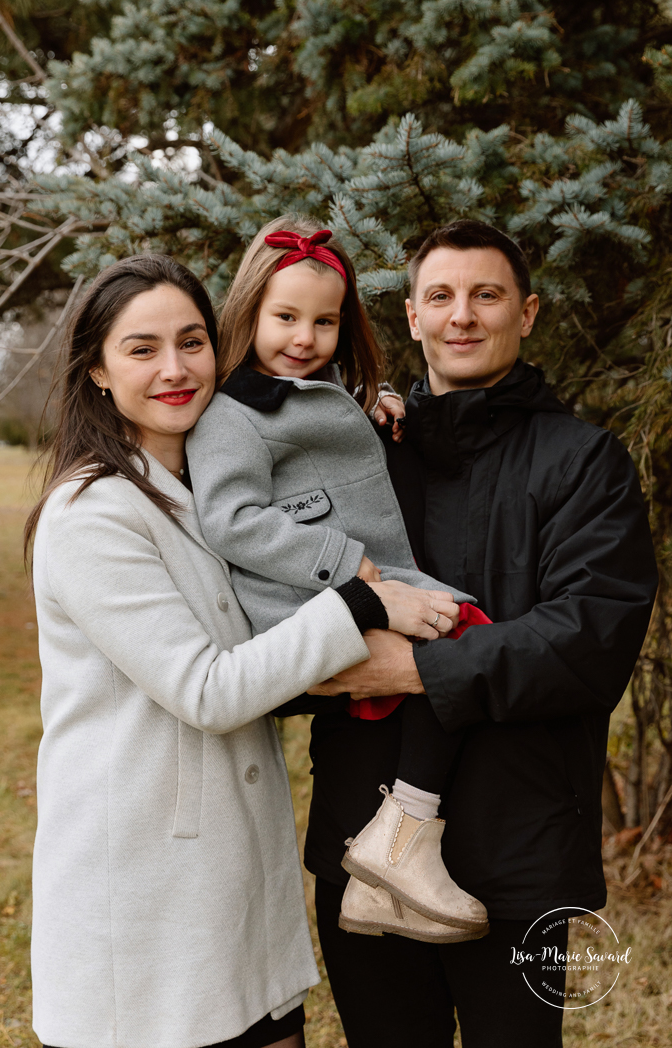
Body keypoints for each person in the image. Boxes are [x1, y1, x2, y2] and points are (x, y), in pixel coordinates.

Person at [24, 254, 451, 1048]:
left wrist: (366, 410)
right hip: (145, 902)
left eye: (192, 341)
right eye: (141, 349)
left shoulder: (202, 493)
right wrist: (357, 603)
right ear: (97, 371)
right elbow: (208, 688)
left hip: (232, 886)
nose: (177, 369)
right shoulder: (92, 515)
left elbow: (307, 482)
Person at [302, 220, 659, 1048]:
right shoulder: (362, 455)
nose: (462, 315)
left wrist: (413, 670)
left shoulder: (582, 461)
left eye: (486, 295)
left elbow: (587, 634)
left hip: (517, 850)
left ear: (525, 313)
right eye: (440, 297)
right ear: (413, 319)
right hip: (362, 835)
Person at [187, 215, 489, 940]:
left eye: (324, 322)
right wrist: (333, 559)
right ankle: (403, 837)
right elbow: (230, 518)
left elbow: (320, 441)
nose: (303, 337)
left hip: (362, 581)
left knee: (411, 692)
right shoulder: (232, 412)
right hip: (316, 593)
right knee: (463, 633)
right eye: (285, 317)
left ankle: (375, 886)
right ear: (248, 312)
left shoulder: (308, 390)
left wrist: (373, 401)